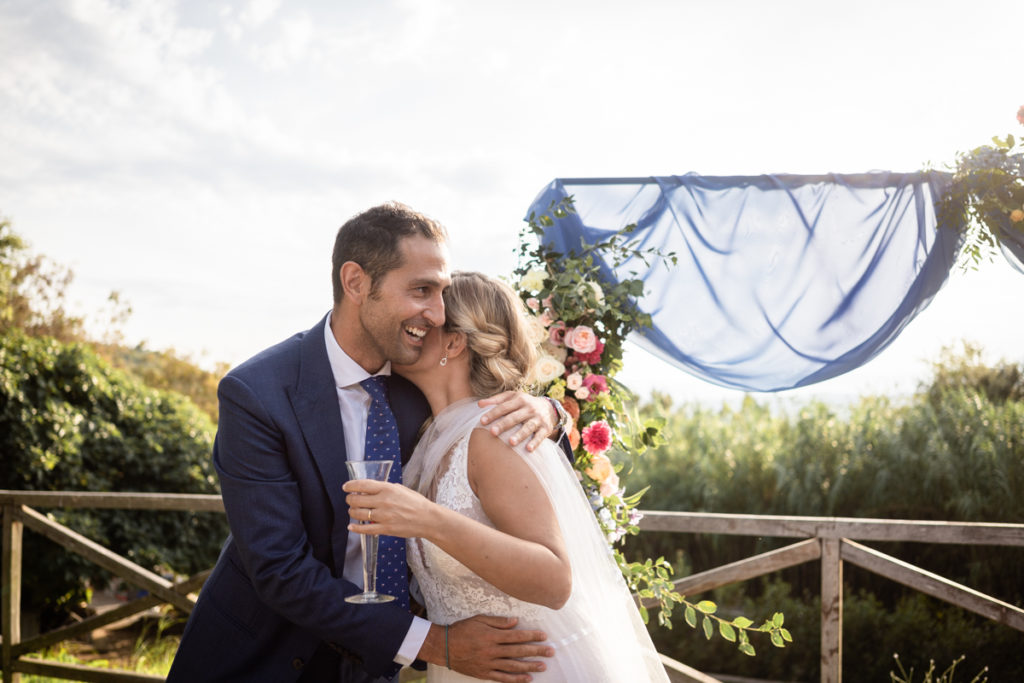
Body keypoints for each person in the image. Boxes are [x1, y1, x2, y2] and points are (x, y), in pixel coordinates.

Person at [168, 204, 567, 683]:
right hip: (262, 658)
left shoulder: (420, 387)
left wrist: (552, 412)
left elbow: (518, 464)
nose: (438, 313)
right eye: (422, 290)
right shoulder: (258, 393)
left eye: (441, 293)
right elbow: (279, 569)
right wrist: (433, 644)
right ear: (356, 282)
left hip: (374, 669)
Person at [344, 271, 670, 682]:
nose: (412, 327)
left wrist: (427, 519)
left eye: (428, 321)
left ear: (455, 342)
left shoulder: (493, 434)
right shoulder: (428, 442)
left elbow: (554, 580)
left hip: (537, 669)